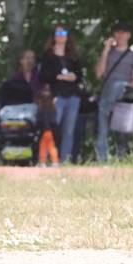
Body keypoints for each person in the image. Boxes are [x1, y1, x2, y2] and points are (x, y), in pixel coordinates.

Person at [94, 23, 133, 162]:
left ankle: (120, 158)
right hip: (106, 95)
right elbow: (99, 74)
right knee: (102, 130)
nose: (120, 36)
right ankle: (102, 160)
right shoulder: (108, 54)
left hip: (124, 98)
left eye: (123, 33)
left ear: (128, 35)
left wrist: (124, 89)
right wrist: (105, 50)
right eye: (117, 33)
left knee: (119, 85)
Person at [39, 24, 85, 164]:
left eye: (63, 33)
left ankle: (64, 160)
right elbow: (43, 76)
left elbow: (80, 76)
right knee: (51, 129)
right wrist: (58, 77)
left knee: (68, 131)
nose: (61, 36)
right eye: (58, 33)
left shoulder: (73, 56)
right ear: (54, 37)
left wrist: (73, 77)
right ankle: (45, 159)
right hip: (56, 96)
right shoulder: (48, 55)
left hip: (72, 96)